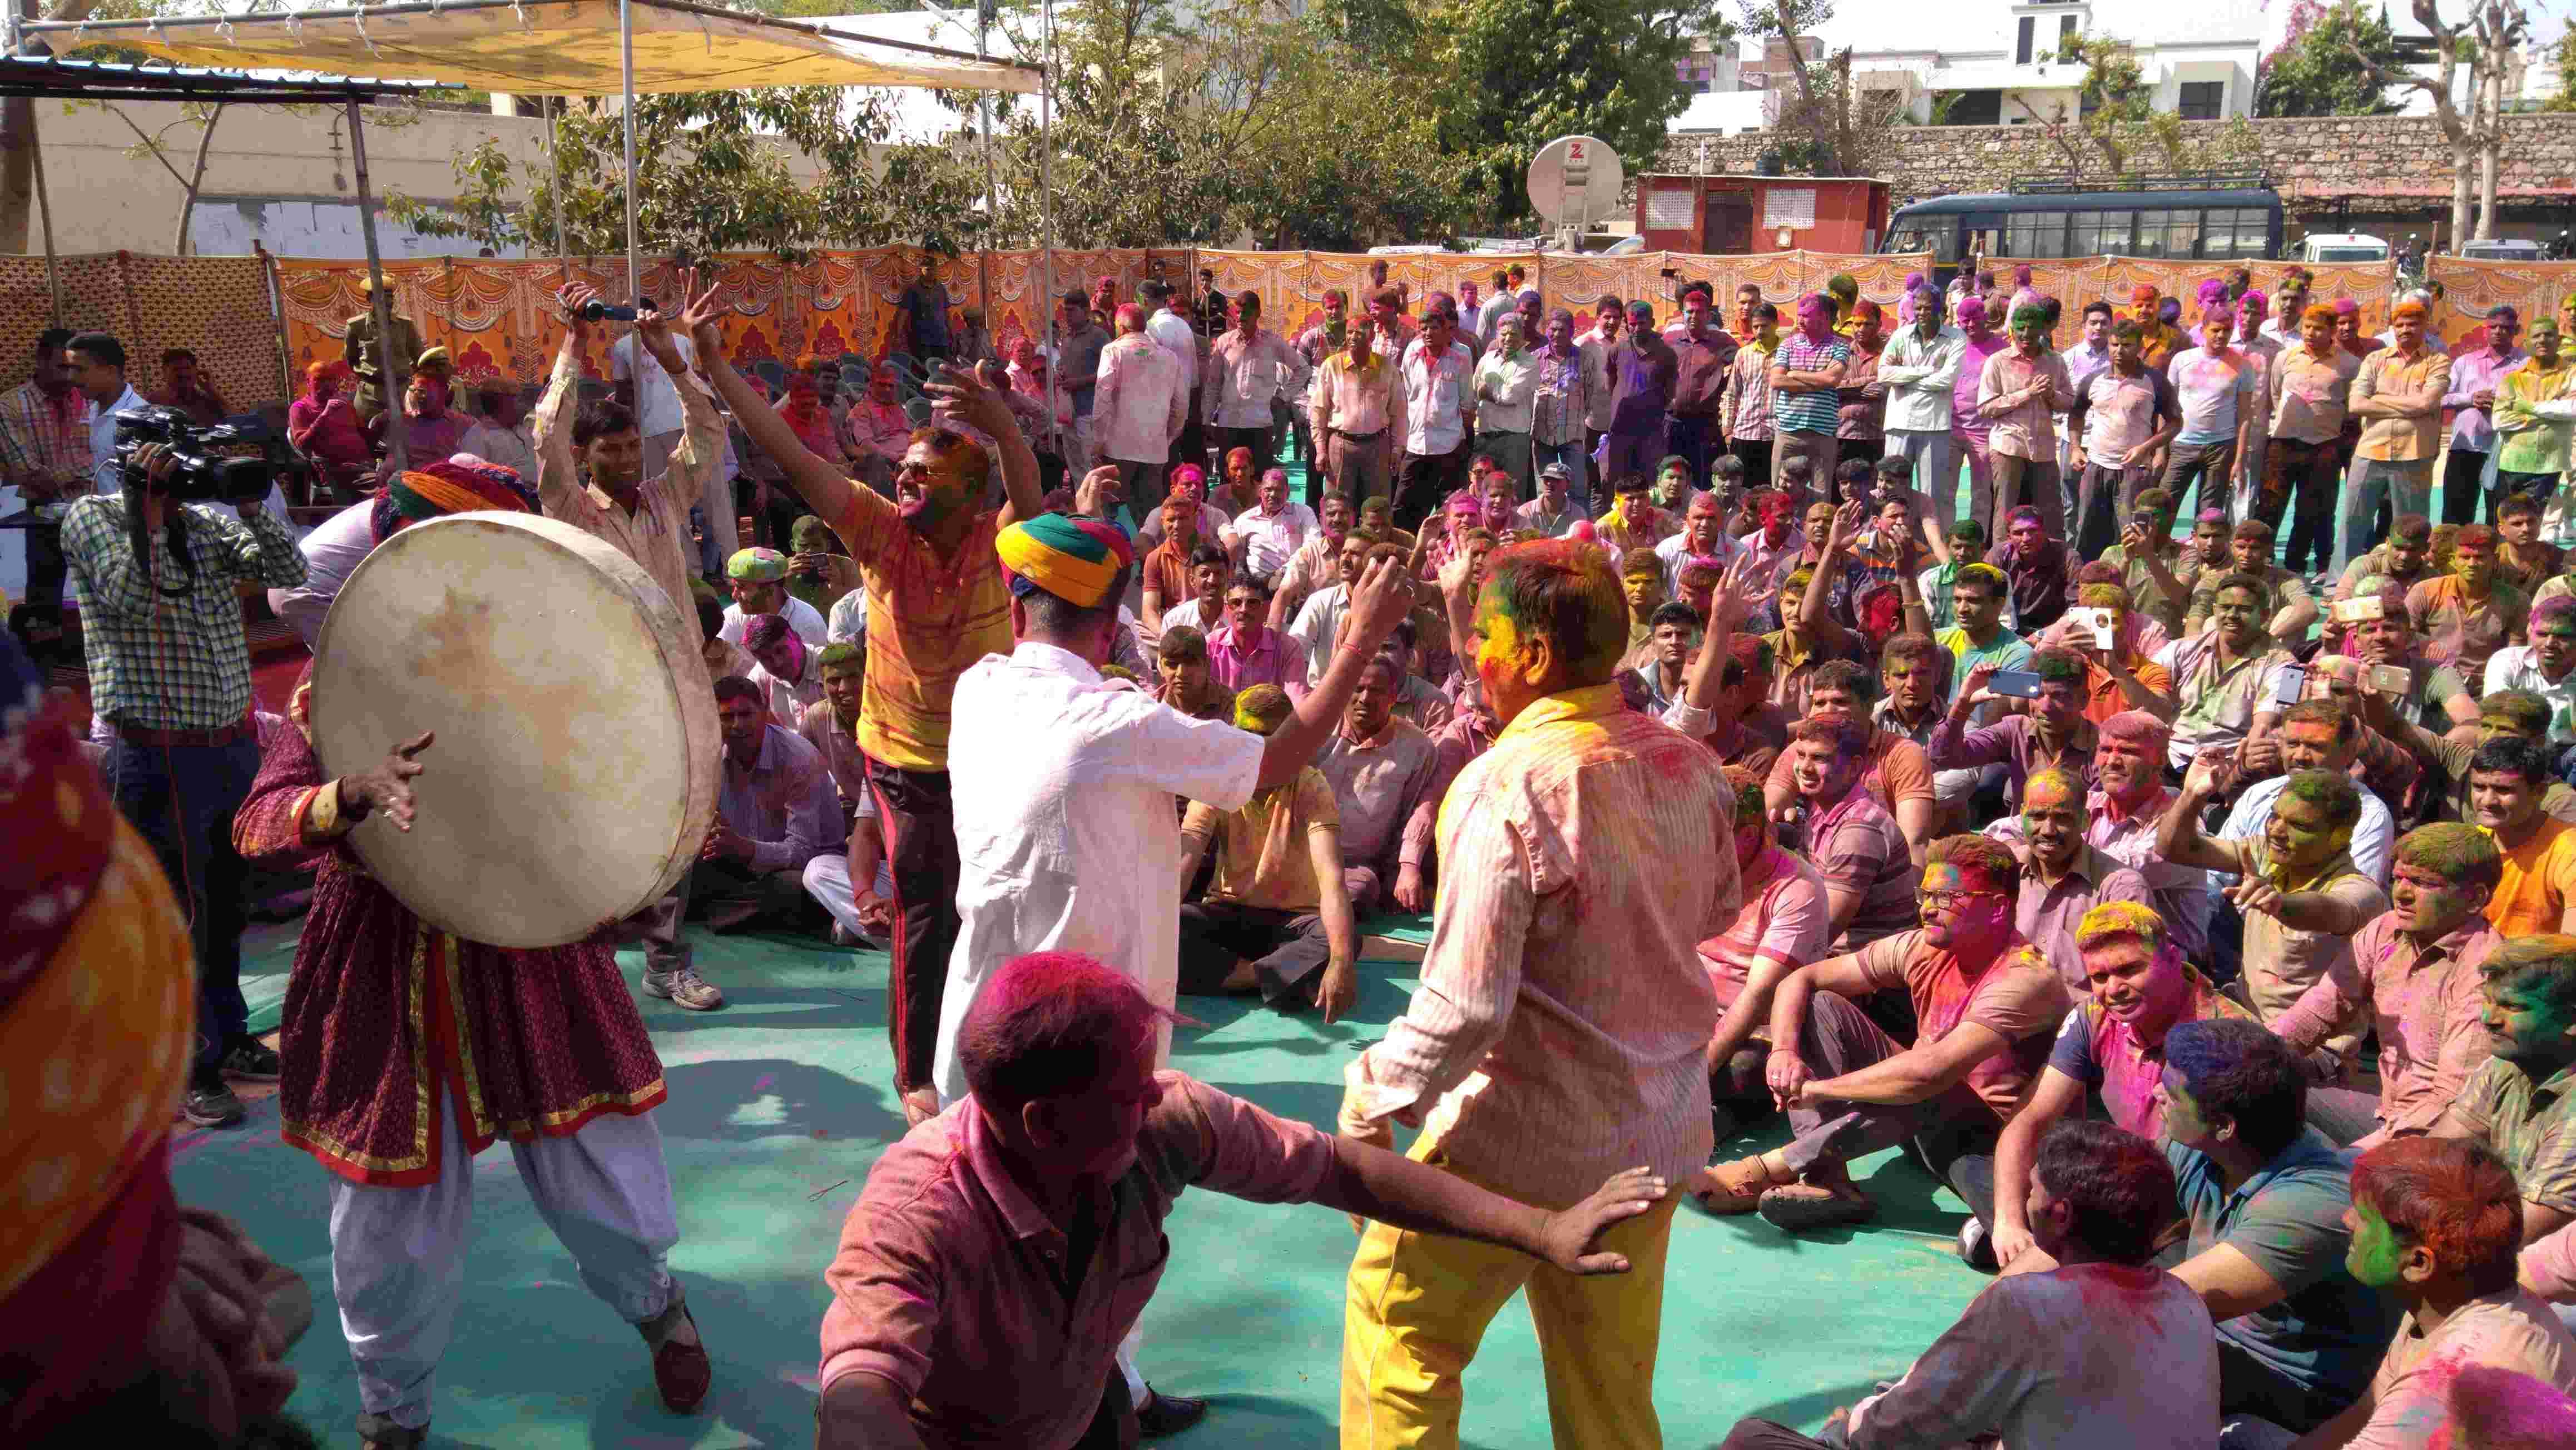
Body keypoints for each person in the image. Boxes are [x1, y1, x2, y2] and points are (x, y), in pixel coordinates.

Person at [816, 951, 1668, 1450]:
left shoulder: (1161, 1121)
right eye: (1129, 1090)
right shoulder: (913, 1216)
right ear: (1045, 1123)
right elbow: (861, 1388)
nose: (1156, 1097)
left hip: (1084, 1418)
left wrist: (1538, 1228)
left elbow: (1340, 1171)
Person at [231, 669, 706, 1447]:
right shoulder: (339, 676)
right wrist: (347, 793)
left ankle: (661, 1311)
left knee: (600, 1171)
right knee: (385, 1218)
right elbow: (256, 823)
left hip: (531, 946)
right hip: (383, 966)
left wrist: (620, 878)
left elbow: (606, 795)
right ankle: (392, 1409)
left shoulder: (547, 659)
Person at [1338, 538, 1739, 1450]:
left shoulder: (1506, 784)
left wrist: (1374, 1095)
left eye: (1482, 636)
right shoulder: (1692, 767)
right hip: (1656, 1131)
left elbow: (1466, 1006)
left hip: (1519, 1142)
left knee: (1401, 1338)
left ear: (1529, 654)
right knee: (1608, 1386)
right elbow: (1719, 907)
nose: (1471, 654)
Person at [691, 289, 1046, 1125]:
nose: (906, 477)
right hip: (905, 765)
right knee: (923, 913)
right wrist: (715, 367)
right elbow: (789, 454)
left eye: (926, 472)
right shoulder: (877, 530)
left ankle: (996, 1044)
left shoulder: (998, 542)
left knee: (990, 909)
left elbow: (1031, 501)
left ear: (970, 491)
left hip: (990, 764)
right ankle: (916, 1075)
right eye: (904, 469)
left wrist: (1005, 429)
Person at [61, 412, 309, 1128]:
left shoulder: (203, 523)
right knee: (178, 913)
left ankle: (229, 1036)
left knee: (228, 903)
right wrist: (148, 516)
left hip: (229, 744)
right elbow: (130, 595)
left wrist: (252, 504)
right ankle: (187, 1065)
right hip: (158, 751)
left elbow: (288, 572)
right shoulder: (92, 518)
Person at [1721, 1119, 2216, 1450]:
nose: (2027, 1198)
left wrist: (1845, 1429)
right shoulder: (2186, 1303)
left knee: (1754, 1440)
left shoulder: (2030, 1305)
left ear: (2060, 1214)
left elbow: (1905, 1422)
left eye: (2034, 1189)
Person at [1698, 834, 2068, 1230]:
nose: (1928, 909)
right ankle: (1827, 1180)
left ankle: (1778, 1165)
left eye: (1946, 898)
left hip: (1989, 1144)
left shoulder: (2025, 977)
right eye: (1926, 895)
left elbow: (1931, 1073)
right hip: (1913, 1122)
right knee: (1819, 1004)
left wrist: (1820, 1090)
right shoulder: (1925, 948)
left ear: (1997, 908)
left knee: (1932, 1077)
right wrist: (1784, 1051)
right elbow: (1800, 979)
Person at [2230, 1137, 2576, 1450]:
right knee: (2241, 1431)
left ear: (2419, 1263)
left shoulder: (2447, 1383)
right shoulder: (2450, 1300)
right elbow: (2363, 1414)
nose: (2347, 1220)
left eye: (2365, 1217)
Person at [2156, 1019, 2396, 1434]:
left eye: (2172, 1095)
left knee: (2113, 1367)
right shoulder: (2200, 1146)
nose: (2156, 1095)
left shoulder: (2312, 1204)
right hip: (2222, 1347)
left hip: (2298, 1391)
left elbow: (2155, 1307)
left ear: (2224, 1125)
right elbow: (2102, 1216)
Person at [1986, 902, 2252, 1271]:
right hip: (2121, 1192)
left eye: (2129, 970)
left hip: (2193, 1216)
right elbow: (2031, 1118)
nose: (2114, 989)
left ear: (2172, 957)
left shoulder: (2228, 1035)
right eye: (2099, 977)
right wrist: (2008, 1222)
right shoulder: (2094, 1017)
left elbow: (2245, 1172)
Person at [2268, 822, 2501, 1153]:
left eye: (2422, 883)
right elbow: (2316, 1013)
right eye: (2398, 878)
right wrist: (2249, 1058)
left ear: (2475, 898)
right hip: (2386, 1114)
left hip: (2437, 1140)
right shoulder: (2385, 931)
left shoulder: (2486, 971)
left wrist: (2356, 1158)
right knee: (2251, 1100)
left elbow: (2454, 1105)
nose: (2402, 893)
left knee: (2329, 1171)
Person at [534, 282, 725, 629]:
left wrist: (671, 360)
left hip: (679, 655)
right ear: (580, 456)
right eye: (610, 450)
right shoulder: (568, 508)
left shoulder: (665, 498)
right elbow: (549, 435)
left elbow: (708, 433)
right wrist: (576, 339)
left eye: (633, 446)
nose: (626, 459)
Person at [2161, 758, 2390, 1039]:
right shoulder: (2264, 855)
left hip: (2312, 1046)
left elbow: (2330, 910)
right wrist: (2192, 797)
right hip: (2242, 1017)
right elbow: (2175, 849)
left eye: (2299, 825)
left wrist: (2280, 904)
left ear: (2339, 837)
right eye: (2275, 816)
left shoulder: (2361, 891)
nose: (2277, 831)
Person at [267, 458, 534, 652]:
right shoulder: (415, 519)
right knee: (363, 665)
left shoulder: (433, 501)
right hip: (301, 590)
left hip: (317, 576)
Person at [2000, 764, 2154, 994]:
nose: (2048, 830)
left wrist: (2042, 993)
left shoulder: (2121, 889)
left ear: (2085, 820)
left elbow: (2128, 989)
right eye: (2037, 816)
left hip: (2083, 1013)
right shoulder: (2004, 871)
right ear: (2022, 816)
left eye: (2062, 818)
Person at [796, 642, 895, 947]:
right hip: (859, 821)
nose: (844, 688)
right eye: (834, 680)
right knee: (817, 872)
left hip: (900, 828)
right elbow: (803, 774)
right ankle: (872, 919)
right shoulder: (817, 719)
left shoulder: (891, 718)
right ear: (821, 685)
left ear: (868, 676)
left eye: (853, 677)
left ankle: (874, 925)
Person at [2345, 299, 2454, 573]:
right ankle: (2340, 582)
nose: (2406, 329)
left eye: (2413, 324)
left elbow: (2426, 404)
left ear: (2425, 326)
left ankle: (2409, 579)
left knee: (2411, 526)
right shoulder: (2375, 360)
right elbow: (2356, 404)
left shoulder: (2438, 361)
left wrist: (2378, 399)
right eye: (2400, 324)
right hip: (2370, 450)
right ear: (2393, 328)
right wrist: (2409, 405)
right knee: (2352, 522)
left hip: (2414, 453)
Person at [2153, 572, 2296, 773]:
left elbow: (2266, 727)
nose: (2232, 615)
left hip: (2228, 767)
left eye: (2245, 609)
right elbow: (2148, 695)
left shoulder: (2291, 670)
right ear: (2214, 610)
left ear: (2265, 615)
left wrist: (2237, 772)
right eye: (2226, 607)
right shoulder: (2179, 649)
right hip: (2168, 757)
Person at [2266, 305, 2362, 579]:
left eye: (2319, 328)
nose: (2311, 333)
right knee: (2270, 504)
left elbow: (2352, 405)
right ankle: (2264, 560)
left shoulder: (2349, 364)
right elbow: (2275, 395)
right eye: (2307, 327)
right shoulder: (2285, 357)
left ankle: (2295, 567)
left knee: (2310, 510)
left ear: (2332, 331)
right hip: (2283, 442)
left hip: (2324, 446)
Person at [2073, 320, 2180, 562]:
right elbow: (2076, 414)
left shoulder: (2155, 381)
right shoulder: (2093, 380)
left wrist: (2147, 448)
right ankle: (2088, 579)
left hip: (2135, 470)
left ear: (2140, 346)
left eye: (2127, 345)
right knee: (2088, 532)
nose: (2119, 351)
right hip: (2096, 468)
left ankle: (2132, 580)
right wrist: (2076, 448)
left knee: (2133, 533)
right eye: (2115, 345)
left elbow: (2175, 423)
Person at [1977, 303, 2074, 537]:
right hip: (2008, 447)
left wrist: (2051, 395)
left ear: (2042, 330)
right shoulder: (1998, 362)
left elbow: (2069, 402)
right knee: (2006, 513)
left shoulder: (2055, 361)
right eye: (2021, 328)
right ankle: (2001, 557)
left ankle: (2052, 558)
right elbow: (1985, 407)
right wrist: (2027, 394)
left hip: (2043, 449)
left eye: (2032, 328)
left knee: (2050, 515)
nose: (2026, 334)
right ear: (2012, 329)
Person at [2466, 736, 2576, 937]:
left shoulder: (2568, 849)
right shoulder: (2470, 843)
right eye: (2479, 787)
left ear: (2540, 792)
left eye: (2503, 790)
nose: (2488, 801)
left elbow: (2571, 944)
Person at [1877, 286, 1963, 528]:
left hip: (1934, 425)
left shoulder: (1956, 338)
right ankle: (1890, 537)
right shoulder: (1901, 335)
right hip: (1899, 422)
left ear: (1940, 309)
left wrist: (1904, 378)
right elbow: (1884, 374)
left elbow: (1948, 380)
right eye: (1918, 308)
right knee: (1891, 489)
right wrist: (1924, 371)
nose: (1922, 313)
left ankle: (1930, 545)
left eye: (1928, 308)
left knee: (1932, 495)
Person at [2410, 524, 2530, 688]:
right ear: (2453, 559)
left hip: (2487, 686)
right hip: (2430, 681)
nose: (2472, 564)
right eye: (2465, 557)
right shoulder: (2425, 591)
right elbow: (2404, 635)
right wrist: (2427, 645)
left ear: (2495, 560)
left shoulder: (2516, 600)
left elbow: (2514, 656)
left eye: (2480, 557)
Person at [1394, 296, 1475, 532]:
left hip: (1449, 445)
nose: (1428, 333)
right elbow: (1407, 393)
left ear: (1446, 330)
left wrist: (1461, 437)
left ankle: (1448, 548)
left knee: (1450, 506)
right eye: (1424, 329)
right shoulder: (1412, 354)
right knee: (1404, 506)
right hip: (1416, 443)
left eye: (1434, 328)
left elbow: (1467, 402)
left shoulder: (1461, 357)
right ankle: (1406, 547)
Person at [1203, 289, 1296, 481]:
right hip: (1228, 425)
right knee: (1229, 484)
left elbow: (1303, 370)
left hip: (1259, 426)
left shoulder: (1272, 343)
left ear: (1258, 314)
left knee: (1260, 484)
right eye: (1238, 312)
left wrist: (1283, 397)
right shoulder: (1224, 343)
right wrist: (1206, 419)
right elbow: (1213, 384)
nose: (1240, 317)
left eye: (1246, 312)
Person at [1312, 314, 1401, 505]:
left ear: (1372, 337)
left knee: (1377, 506)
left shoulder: (1387, 367)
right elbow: (1319, 410)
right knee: (1338, 506)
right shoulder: (1332, 366)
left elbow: (1399, 412)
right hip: (1341, 445)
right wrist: (1320, 449)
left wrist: (1397, 448)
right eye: (1350, 332)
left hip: (1378, 447)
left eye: (1359, 333)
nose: (1353, 337)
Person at [1770, 294, 1852, 493]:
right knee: (1780, 493)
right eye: (1799, 315)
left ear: (1824, 317)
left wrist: (1794, 373)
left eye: (1806, 315)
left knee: (1820, 496)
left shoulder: (1840, 346)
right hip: (1788, 431)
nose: (1800, 320)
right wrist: (1819, 382)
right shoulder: (1788, 344)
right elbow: (1776, 380)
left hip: (1823, 434)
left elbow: (1832, 379)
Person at [1950, 296, 2011, 538]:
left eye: (1975, 319)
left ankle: (1978, 542)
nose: (1970, 325)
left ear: (1985, 318)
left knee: (1982, 494)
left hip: (1985, 432)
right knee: (1945, 490)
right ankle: (1946, 539)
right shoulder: (1953, 344)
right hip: (1951, 428)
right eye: (1965, 321)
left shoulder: (2002, 349)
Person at [1665, 288, 1736, 492]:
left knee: (1703, 480)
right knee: (1672, 478)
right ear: (1683, 314)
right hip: (1673, 423)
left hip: (1705, 424)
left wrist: (1720, 386)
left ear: (1708, 315)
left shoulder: (1723, 343)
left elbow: (1739, 369)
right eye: (1690, 311)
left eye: (1699, 312)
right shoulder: (1669, 341)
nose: (1694, 316)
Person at [1605, 297, 1681, 485]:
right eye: (1632, 324)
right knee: (1618, 480)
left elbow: (1671, 392)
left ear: (1652, 323)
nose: (1637, 329)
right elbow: (1610, 386)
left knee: (1650, 480)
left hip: (1652, 431)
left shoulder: (1667, 353)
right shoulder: (1617, 350)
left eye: (1642, 323)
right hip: (1621, 428)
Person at [1528, 309, 1597, 512]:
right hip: (1542, 435)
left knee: (1578, 490)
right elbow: (1529, 394)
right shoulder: (1535, 359)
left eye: (1562, 330)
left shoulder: (1585, 359)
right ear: (1547, 329)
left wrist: (1576, 417)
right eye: (1553, 329)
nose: (1557, 334)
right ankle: (1544, 528)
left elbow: (1589, 396)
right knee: (1544, 490)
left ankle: (1579, 527)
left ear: (1572, 331)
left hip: (1572, 435)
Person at [1469, 314, 1537, 493]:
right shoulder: (1487, 359)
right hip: (1485, 436)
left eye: (1513, 334)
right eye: (1503, 334)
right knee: (1483, 491)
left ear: (1521, 336)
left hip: (1514, 439)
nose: (1508, 339)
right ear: (1497, 335)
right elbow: (1475, 389)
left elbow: (1510, 396)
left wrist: (1487, 393)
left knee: (1512, 492)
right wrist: (1487, 393)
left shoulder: (1529, 362)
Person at [341, 278, 424, 424]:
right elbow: (351, 360)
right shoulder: (355, 326)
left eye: (390, 297)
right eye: (382, 297)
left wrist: (405, 375)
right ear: (369, 299)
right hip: (370, 397)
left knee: (408, 433)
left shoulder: (405, 325)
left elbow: (420, 358)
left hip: (401, 393)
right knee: (368, 434)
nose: (388, 302)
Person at [1225, 465, 1317, 588]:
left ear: (1288, 493)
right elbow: (1236, 559)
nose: (1273, 495)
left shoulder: (1303, 513)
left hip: (1297, 578)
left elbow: (1312, 547)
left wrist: (1283, 572)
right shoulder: (1244, 521)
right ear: (1260, 492)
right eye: (1268, 490)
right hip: (1259, 585)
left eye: (1279, 490)